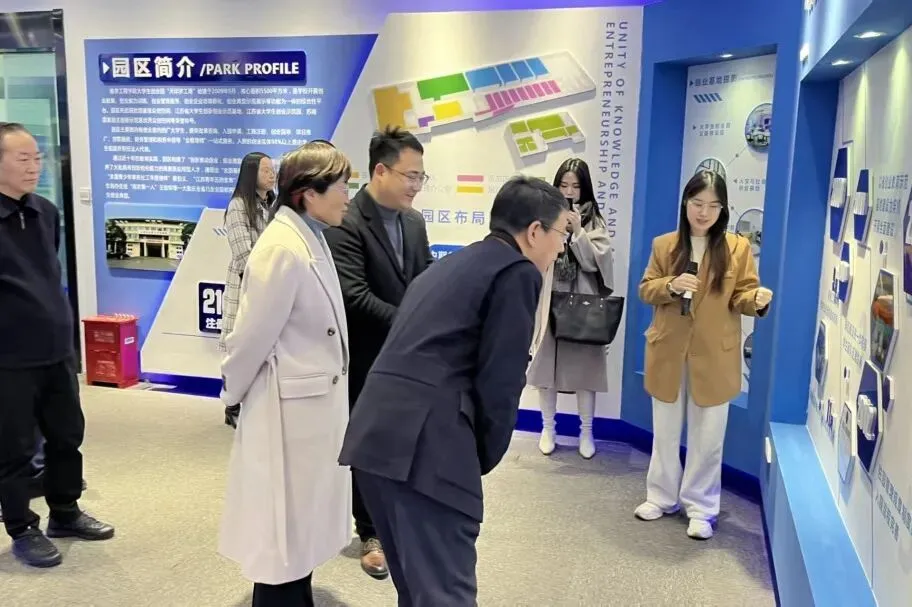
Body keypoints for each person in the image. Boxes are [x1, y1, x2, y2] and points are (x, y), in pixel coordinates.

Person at [339, 176, 570, 606]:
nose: (560, 248)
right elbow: (500, 379)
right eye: (561, 233)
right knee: (445, 595)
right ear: (535, 231)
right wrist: (478, 458)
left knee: (417, 591)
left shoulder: (449, 266)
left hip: (373, 443)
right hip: (425, 454)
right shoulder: (517, 272)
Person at [217, 140, 353, 607]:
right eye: (341, 186)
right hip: (286, 415)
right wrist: (233, 393)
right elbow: (250, 338)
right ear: (308, 193)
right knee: (282, 537)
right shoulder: (280, 248)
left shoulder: (309, 235)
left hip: (308, 413)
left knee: (299, 534)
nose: (348, 196)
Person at [635, 170, 773, 540]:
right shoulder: (665, 245)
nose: (704, 212)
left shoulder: (737, 248)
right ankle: (661, 497)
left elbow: (743, 295)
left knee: (708, 438)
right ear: (686, 203)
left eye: (713, 206)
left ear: (723, 209)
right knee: (665, 432)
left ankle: (701, 507)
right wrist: (671, 284)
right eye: (697, 203)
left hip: (714, 356)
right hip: (669, 351)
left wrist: (757, 300)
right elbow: (646, 289)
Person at [0, 122, 114, 568]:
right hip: (9, 359)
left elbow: (49, 274)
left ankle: (65, 511)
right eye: (22, 159)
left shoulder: (45, 212)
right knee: (13, 448)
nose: (34, 167)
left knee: (67, 435)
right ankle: (22, 527)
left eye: (37, 158)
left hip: (56, 351)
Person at [324, 125, 433, 579]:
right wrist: (411, 327)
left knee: (405, 440)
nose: (416, 185)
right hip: (364, 357)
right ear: (381, 171)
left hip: (408, 359)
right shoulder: (347, 221)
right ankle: (370, 531)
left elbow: (424, 278)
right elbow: (355, 296)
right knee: (367, 445)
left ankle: (400, 519)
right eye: (410, 175)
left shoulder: (414, 221)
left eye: (421, 176)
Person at [527, 158, 614, 459]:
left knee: (585, 371)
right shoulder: (544, 217)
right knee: (546, 368)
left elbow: (596, 263)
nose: (569, 191)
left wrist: (578, 233)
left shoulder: (595, 222)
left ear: (584, 188)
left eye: (575, 186)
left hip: (583, 304)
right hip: (550, 299)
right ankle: (548, 428)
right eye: (563, 185)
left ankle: (586, 432)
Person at [219, 152, 277, 428]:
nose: (271, 174)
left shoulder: (274, 205)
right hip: (247, 285)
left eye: (272, 169)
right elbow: (243, 253)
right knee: (238, 346)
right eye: (265, 170)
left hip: (270, 286)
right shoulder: (238, 206)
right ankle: (231, 405)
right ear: (251, 173)